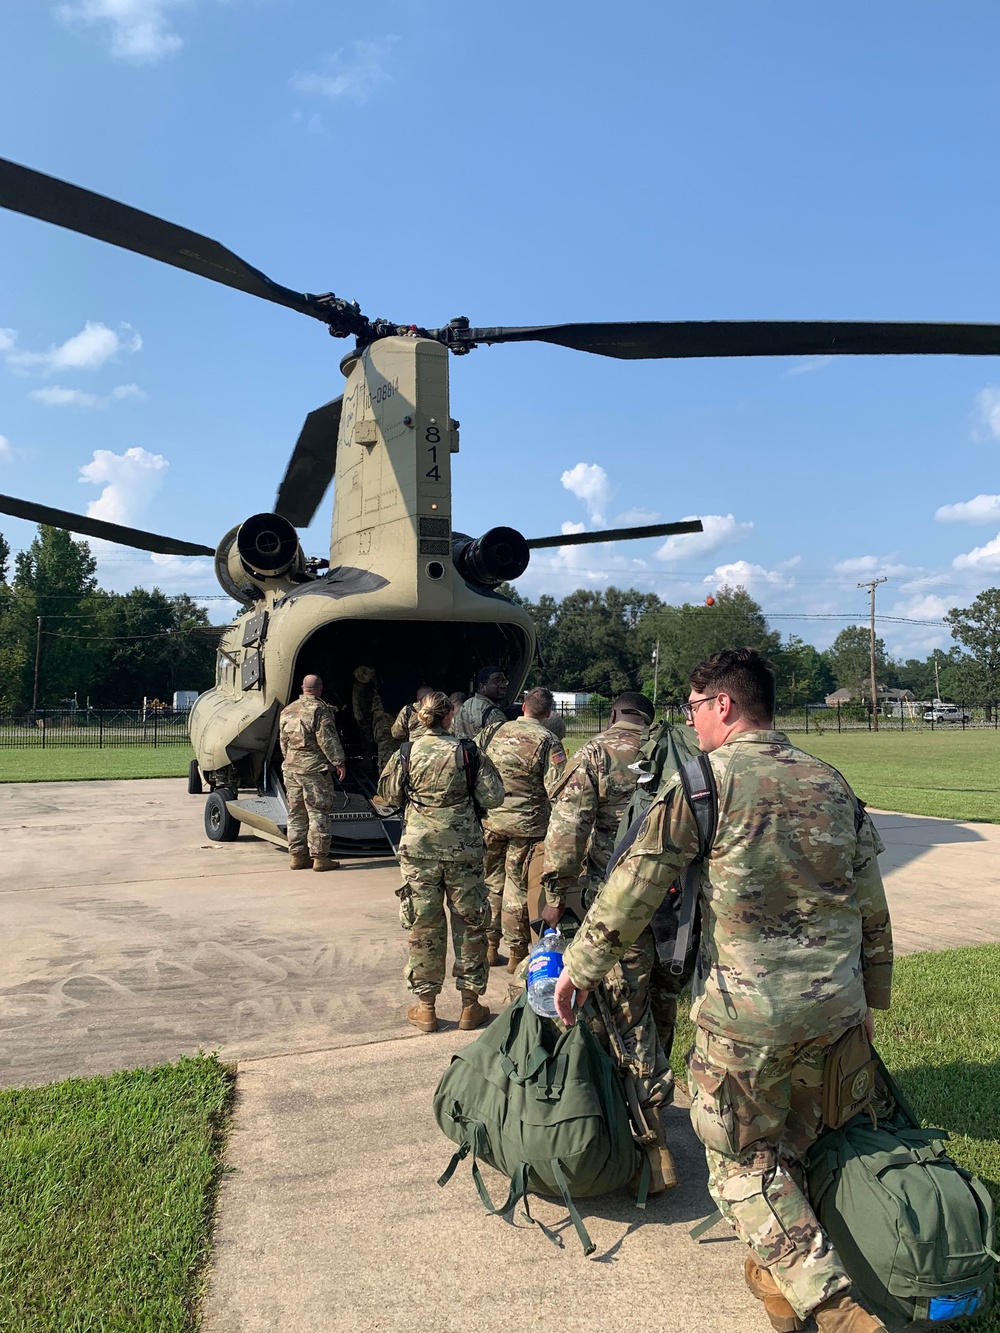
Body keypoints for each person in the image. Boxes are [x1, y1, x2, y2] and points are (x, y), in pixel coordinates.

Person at [553, 648, 894, 1333]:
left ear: (725, 706)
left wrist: (579, 967)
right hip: (835, 1009)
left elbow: (634, 887)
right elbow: (871, 904)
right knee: (793, 1140)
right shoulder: (831, 780)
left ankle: (831, 1303)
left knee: (738, 1162)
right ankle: (772, 1279)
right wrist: (873, 999)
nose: (689, 719)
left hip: (748, 1018)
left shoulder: (703, 783)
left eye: (694, 706)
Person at [539, 690, 677, 1193]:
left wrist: (554, 894)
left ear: (614, 714)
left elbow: (568, 831)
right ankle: (662, 1097)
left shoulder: (595, 754)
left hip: (618, 905)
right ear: (647, 717)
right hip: (679, 907)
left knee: (627, 1011)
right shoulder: (676, 751)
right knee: (663, 1001)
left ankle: (652, 1143)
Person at [377, 690, 505, 1034]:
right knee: (470, 923)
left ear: (421, 716)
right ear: (450, 717)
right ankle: (470, 1005)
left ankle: (426, 1007)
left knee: (423, 926)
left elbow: (387, 796)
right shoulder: (467, 751)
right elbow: (494, 796)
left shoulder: (406, 752)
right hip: (463, 849)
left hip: (419, 850)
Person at [481, 686, 567, 969]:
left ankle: (490, 946)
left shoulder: (493, 732)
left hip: (491, 820)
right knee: (516, 888)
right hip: (526, 826)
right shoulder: (548, 741)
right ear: (549, 713)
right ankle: (517, 952)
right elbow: (557, 788)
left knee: (491, 883)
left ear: (523, 707)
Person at [278, 674, 346, 872]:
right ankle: (320, 858)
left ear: (302, 688)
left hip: (291, 768)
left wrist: (290, 760)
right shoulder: (319, 709)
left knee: (296, 813)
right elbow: (328, 740)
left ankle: (297, 856)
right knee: (317, 812)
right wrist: (338, 762)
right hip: (314, 769)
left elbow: (283, 742)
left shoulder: (287, 710)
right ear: (320, 689)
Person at [351, 664, 394, 772]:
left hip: (383, 711)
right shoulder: (369, 672)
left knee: (385, 741)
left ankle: (386, 773)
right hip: (375, 708)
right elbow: (358, 689)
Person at [452, 666, 508, 740]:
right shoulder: (495, 714)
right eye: (496, 681)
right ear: (482, 687)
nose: (502, 685)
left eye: (504, 681)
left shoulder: (466, 705)